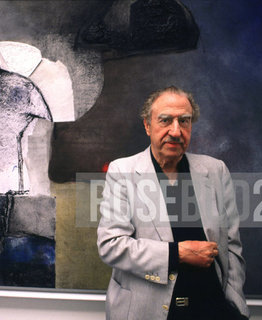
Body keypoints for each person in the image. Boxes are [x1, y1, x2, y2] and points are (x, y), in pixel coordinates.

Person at [97, 86, 249, 320]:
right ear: (148, 126)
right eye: (165, 120)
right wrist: (177, 253)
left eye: (184, 121)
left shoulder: (215, 169)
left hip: (212, 309)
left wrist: (235, 305)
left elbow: (232, 247)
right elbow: (111, 245)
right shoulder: (122, 170)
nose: (176, 131)